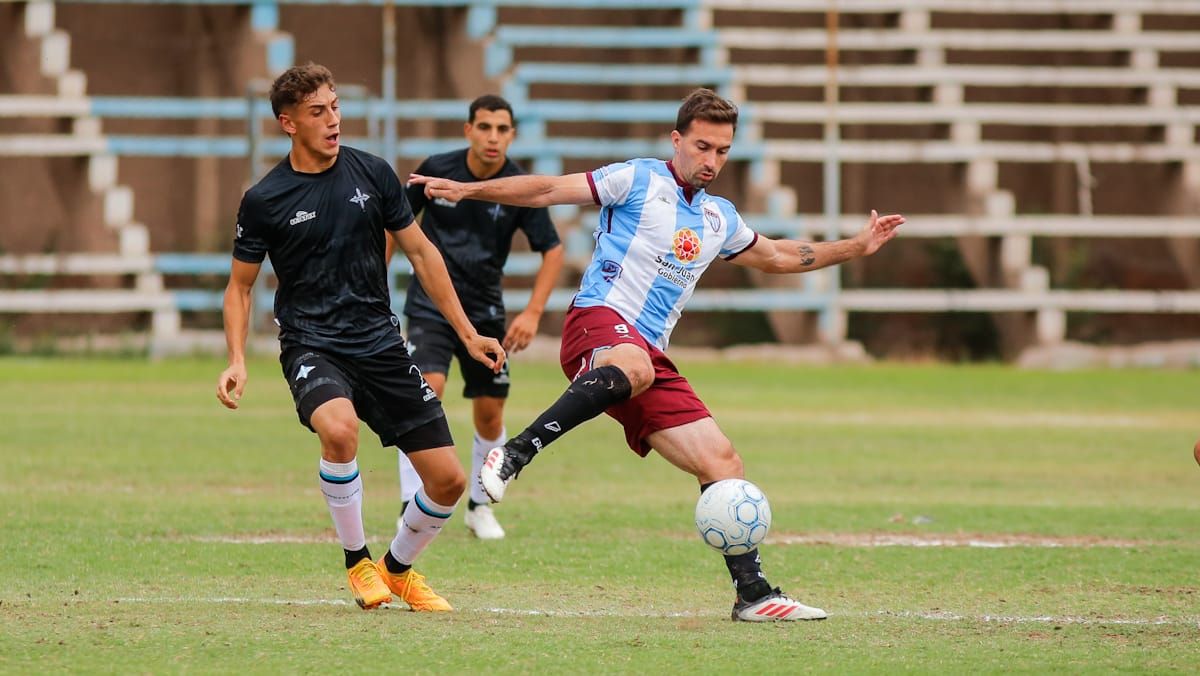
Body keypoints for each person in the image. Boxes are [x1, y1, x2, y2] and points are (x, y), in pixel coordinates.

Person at [410, 87, 904, 622]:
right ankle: (514, 454)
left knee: (724, 462)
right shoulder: (637, 178)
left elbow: (780, 255)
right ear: (677, 140)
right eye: (702, 146)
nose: (711, 160)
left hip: (645, 355)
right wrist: (468, 190)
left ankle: (754, 594)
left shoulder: (719, 218)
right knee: (635, 364)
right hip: (597, 321)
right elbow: (549, 189)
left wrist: (855, 246)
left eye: (721, 151)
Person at [215, 63, 505, 612]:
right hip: (313, 344)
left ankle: (396, 569)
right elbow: (239, 287)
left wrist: (467, 334)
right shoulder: (265, 199)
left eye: (335, 106)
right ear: (288, 123)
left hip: (381, 343)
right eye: (317, 112)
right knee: (339, 431)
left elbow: (421, 253)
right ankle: (358, 562)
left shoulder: (374, 174)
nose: (333, 120)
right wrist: (236, 358)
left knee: (448, 481)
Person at [392, 94, 564, 540]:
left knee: (490, 415)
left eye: (502, 129)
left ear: (512, 134)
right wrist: (376, 284)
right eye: (484, 127)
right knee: (425, 393)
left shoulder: (519, 185)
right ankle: (411, 503)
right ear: (468, 130)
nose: (493, 137)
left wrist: (532, 312)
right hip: (430, 304)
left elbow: (553, 249)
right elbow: (393, 226)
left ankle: (480, 507)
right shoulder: (435, 170)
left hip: (486, 310)